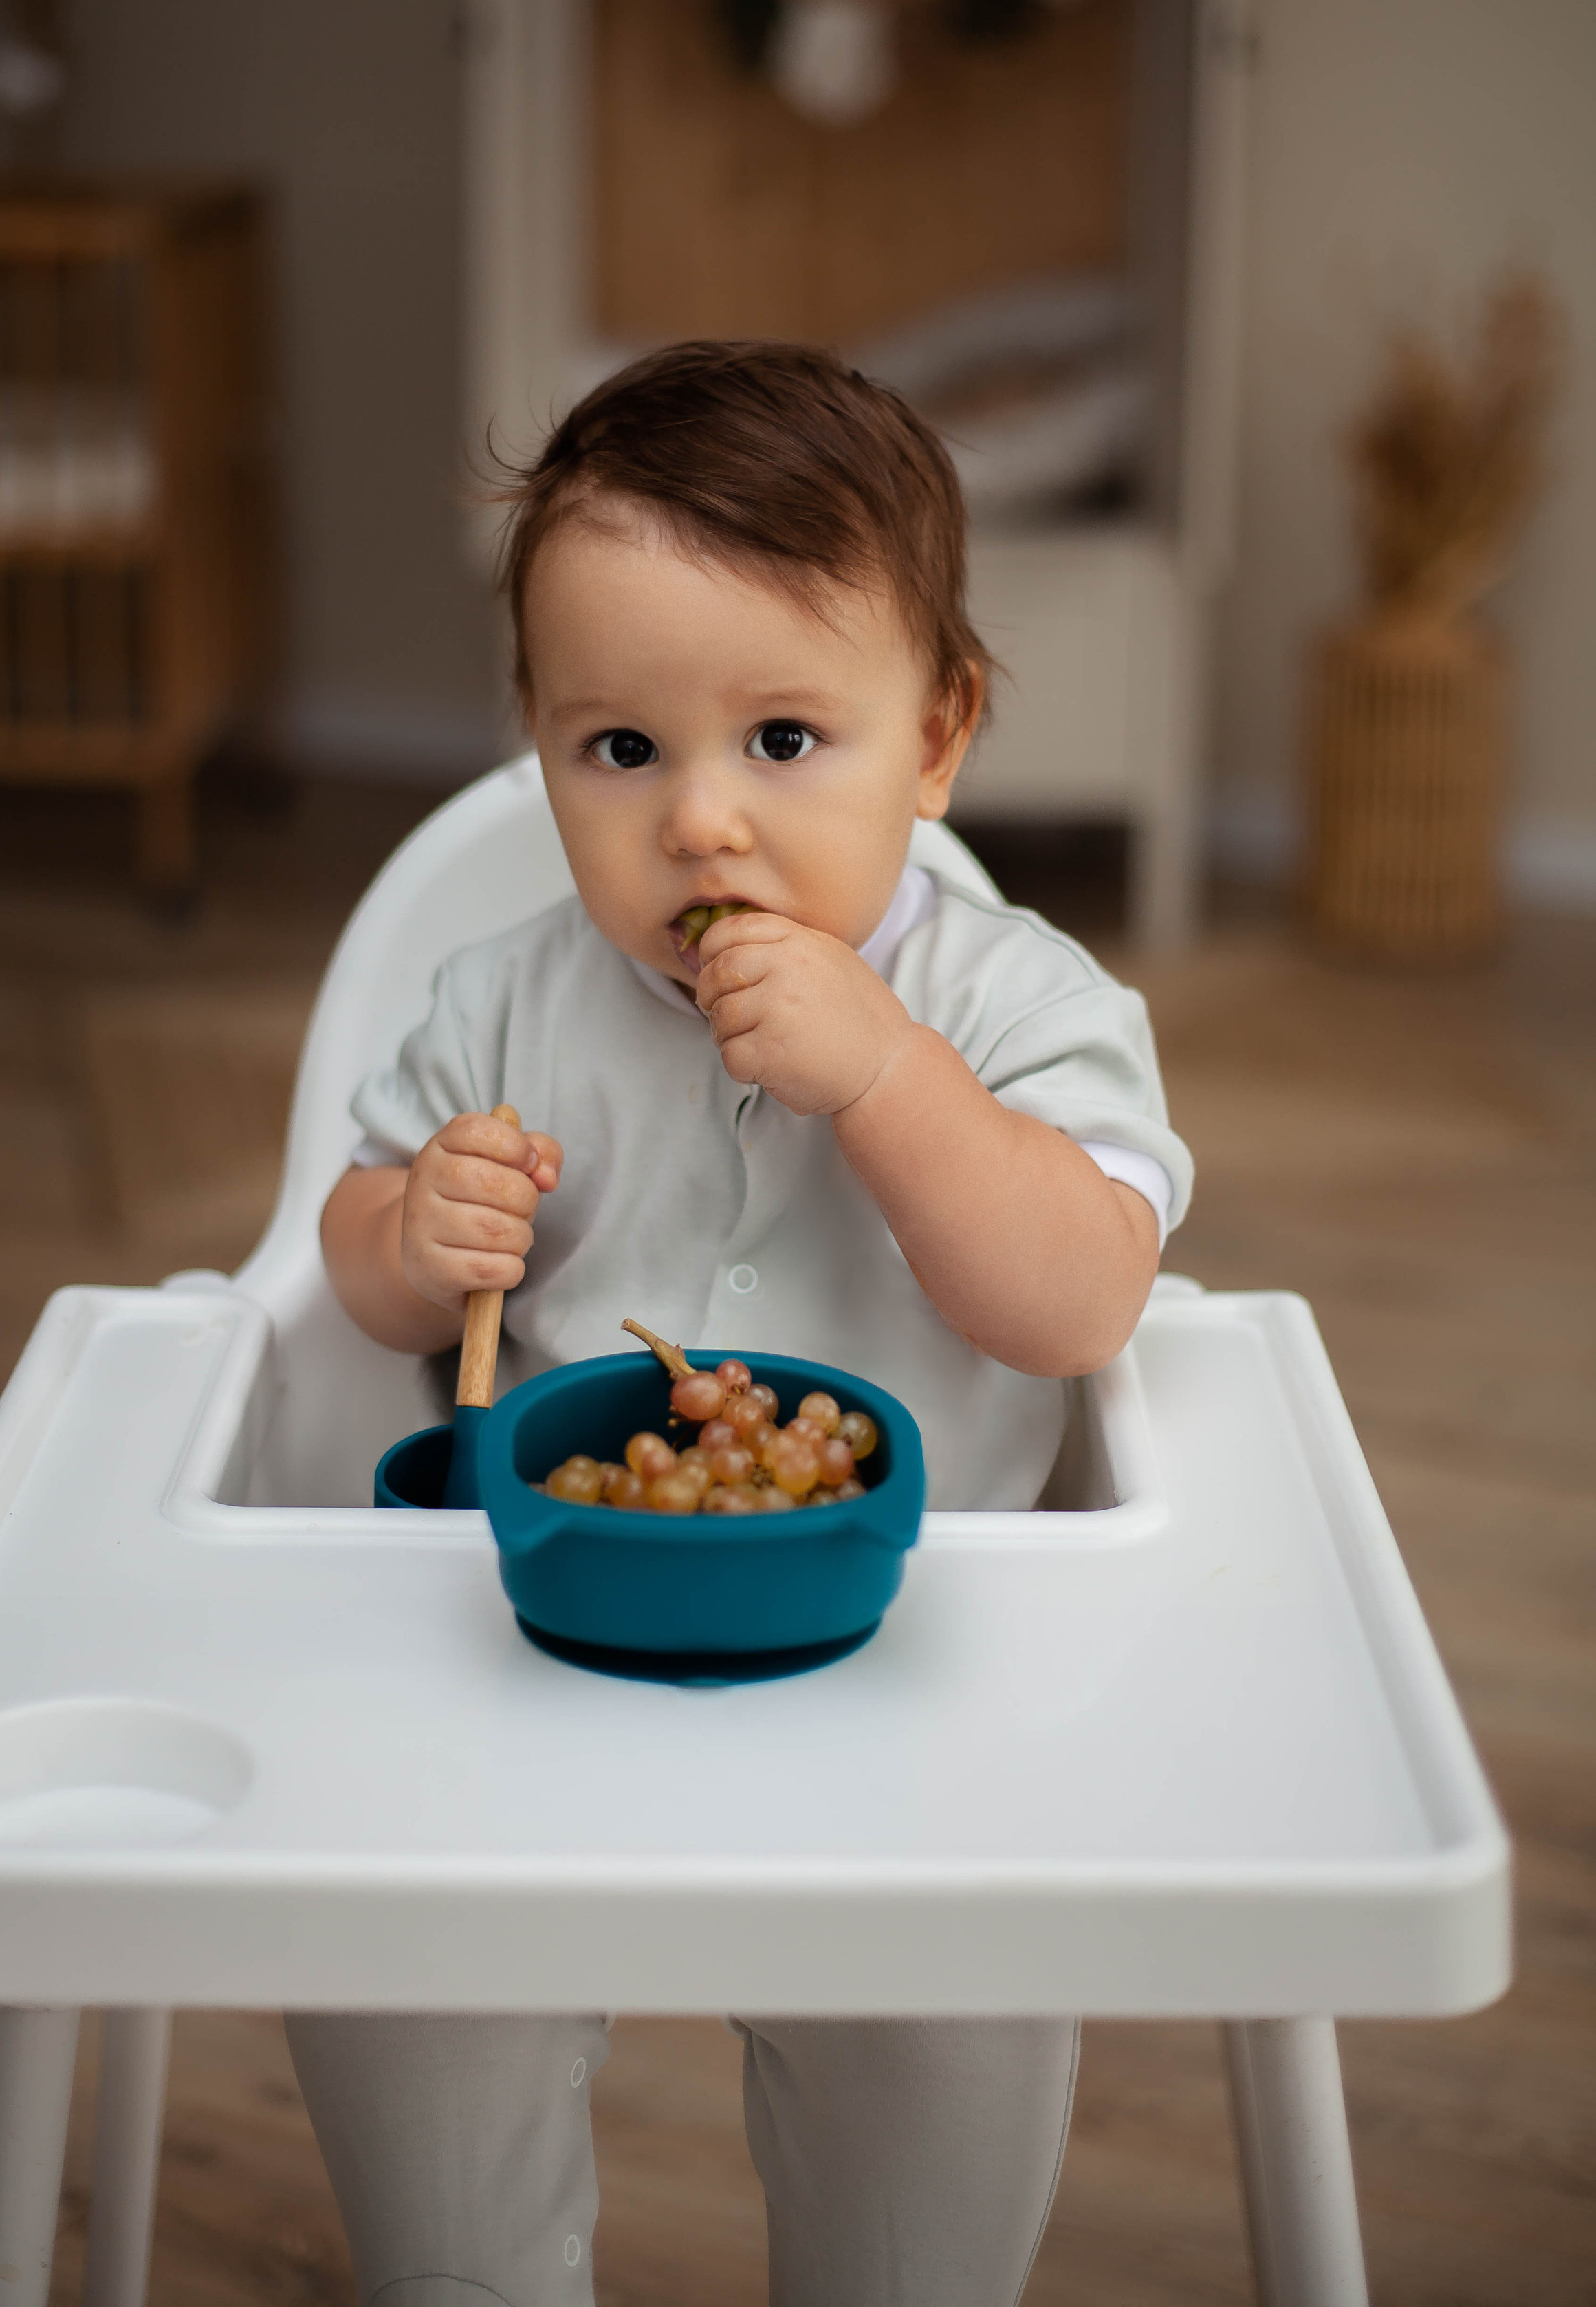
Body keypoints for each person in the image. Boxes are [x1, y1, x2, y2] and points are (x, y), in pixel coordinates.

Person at [293, 341, 1193, 2307]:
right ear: (538, 743)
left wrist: (891, 1080)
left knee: (942, 2052)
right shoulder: (501, 1006)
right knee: (393, 1978)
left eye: (785, 741)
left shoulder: (1017, 1007)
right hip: (533, 1643)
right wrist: (407, 1230)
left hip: (921, 1679)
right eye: (621, 750)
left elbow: (1079, 1299)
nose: (701, 823)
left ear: (937, 737)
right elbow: (348, 1267)